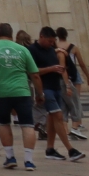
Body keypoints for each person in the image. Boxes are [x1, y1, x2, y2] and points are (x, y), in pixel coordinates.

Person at [0, 22, 42, 171]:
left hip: (1, 93)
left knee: (3, 123)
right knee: (27, 125)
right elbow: (34, 74)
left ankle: (10, 157)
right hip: (22, 91)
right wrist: (40, 93)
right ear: (11, 34)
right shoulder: (23, 50)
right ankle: (28, 160)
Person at [26, 28, 82, 163]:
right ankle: (70, 150)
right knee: (58, 116)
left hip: (56, 87)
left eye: (53, 41)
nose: (51, 44)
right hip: (45, 88)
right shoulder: (32, 50)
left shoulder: (52, 50)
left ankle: (50, 149)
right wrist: (51, 69)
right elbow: (32, 71)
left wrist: (67, 84)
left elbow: (59, 67)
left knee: (52, 118)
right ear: (41, 37)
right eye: (49, 41)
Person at [55, 28, 88, 140]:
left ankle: (66, 131)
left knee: (63, 105)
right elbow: (81, 63)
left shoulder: (54, 49)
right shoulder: (72, 48)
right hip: (71, 76)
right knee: (75, 101)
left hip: (58, 79)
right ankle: (76, 126)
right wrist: (88, 76)